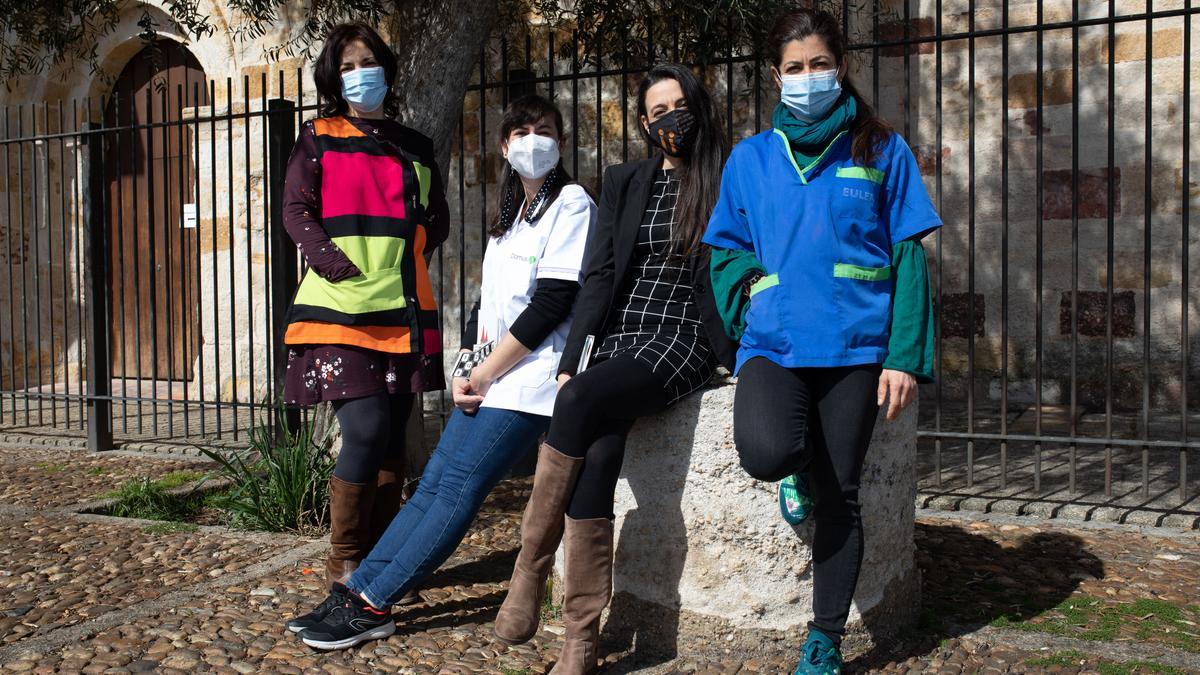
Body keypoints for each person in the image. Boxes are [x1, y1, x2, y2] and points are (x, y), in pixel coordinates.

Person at [286, 94, 598, 651]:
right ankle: (358, 589)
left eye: (545, 130)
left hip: (531, 383)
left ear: (562, 143)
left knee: (458, 488)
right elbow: (488, 309)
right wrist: (466, 370)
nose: (533, 141)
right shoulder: (510, 218)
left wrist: (485, 375)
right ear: (504, 147)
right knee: (431, 483)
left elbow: (552, 303)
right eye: (521, 131)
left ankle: (372, 604)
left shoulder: (571, 203)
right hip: (493, 377)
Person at [703, 8, 939, 674]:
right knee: (766, 449)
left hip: (855, 347)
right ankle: (797, 471)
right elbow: (724, 250)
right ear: (776, 76)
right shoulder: (749, 159)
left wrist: (902, 356)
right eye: (795, 68)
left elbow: (909, 254)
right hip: (773, 344)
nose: (809, 78)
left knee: (843, 493)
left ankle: (824, 638)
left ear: (842, 68)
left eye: (820, 65)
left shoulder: (882, 150)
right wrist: (751, 303)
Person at [492, 64, 737, 675]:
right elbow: (599, 274)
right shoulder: (626, 180)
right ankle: (581, 638)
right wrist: (573, 358)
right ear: (645, 125)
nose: (669, 119)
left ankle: (529, 568)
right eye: (656, 113)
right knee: (597, 452)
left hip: (683, 337)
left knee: (574, 407)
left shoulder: (730, 176)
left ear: (698, 107)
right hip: (623, 335)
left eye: (678, 105)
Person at [280, 22, 450, 591]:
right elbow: (296, 212)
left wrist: (414, 241)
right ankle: (344, 563)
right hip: (339, 308)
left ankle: (378, 560)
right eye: (347, 66)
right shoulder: (317, 137)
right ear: (334, 77)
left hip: (403, 310)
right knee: (366, 424)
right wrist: (336, 265)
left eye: (367, 62)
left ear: (387, 68)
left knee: (393, 432)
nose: (360, 74)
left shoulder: (416, 146)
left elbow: (436, 218)